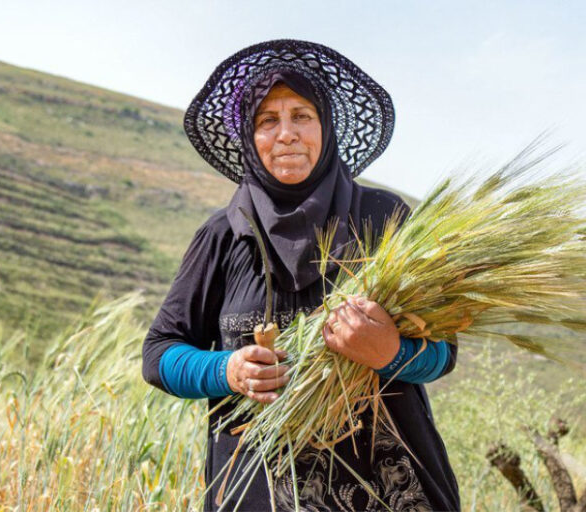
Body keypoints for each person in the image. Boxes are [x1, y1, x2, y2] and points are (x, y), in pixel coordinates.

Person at [142, 39, 459, 512]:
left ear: (325, 129)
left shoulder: (383, 220)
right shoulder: (222, 236)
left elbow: (444, 352)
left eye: (302, 116)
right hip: (256, 492)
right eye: (268, 121)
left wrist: (390, 353)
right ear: (250, 139)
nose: (286, 133)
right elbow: (159, 353)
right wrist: (225, 370)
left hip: (391, 493)